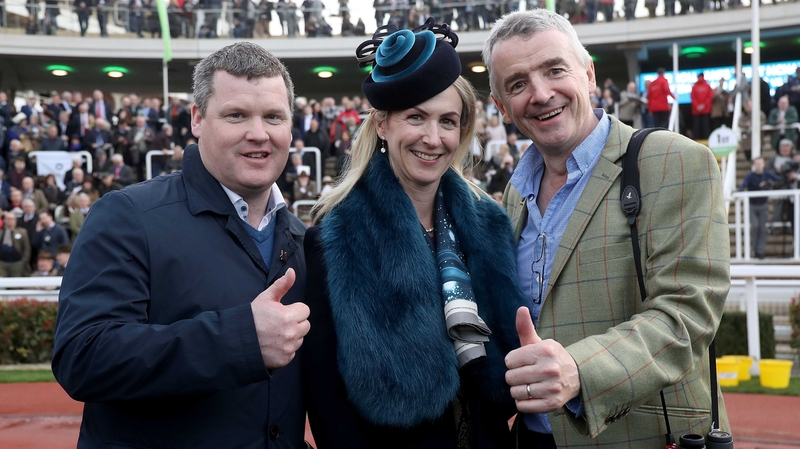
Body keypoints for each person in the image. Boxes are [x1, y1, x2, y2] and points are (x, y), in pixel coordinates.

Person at [483, 9, 731, 448]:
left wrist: (579, 371)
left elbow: (688, 315)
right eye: (517, 84)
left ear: (589, 74)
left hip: (645, 437)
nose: (540, 93)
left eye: (554, 70)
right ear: (502, 107)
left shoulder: (676, 160)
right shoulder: (511, 196)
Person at [52, 42, 310, 448]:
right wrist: (239, 340)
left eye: (273, 117)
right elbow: (83, 357)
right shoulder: (127, 215)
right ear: (197, 119)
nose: (258, 133)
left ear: (290, 127)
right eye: (236, 115)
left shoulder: (300, 238)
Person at [303, 19, 527, 448]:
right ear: (383, 125)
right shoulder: (333, 241)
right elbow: (326, 401)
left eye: (448, 121)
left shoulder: (489, 224)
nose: (433, 137)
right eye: (416, 117)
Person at [739, 157, 780, 259]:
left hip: (763, 205)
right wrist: (739, 193)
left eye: (760, 163)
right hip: (752, 205)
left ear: (763, 164)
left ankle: (760, 251)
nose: (758, 166)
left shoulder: (767, 175)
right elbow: (743, 186)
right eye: (756, 163)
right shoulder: (750, 176)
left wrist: (770, 183)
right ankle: (754, 250)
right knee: (755, 227)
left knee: (762, 228)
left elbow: (779, 180)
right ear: (753, 165)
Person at [691, 72, 713, 140]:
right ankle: (707, 140)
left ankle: (696, 140)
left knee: (696, 126)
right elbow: (709, 97)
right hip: (705, 109)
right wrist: (703, 105)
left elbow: (693, 97)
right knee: (706, 126)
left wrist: (697, 106)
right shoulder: (707, 86)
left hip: (696, 110)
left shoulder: (694, 86)